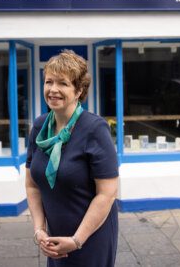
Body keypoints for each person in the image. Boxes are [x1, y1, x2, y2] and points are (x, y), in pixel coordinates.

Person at [25, 50, 119, 267]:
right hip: (55, 236)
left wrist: (77, 240)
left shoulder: (95, 129)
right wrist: (39, 229)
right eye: (49, 81)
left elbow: (107, 194)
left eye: (63, 83)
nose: (53, 89)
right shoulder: (39, 127)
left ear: (79, 91)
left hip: (90, 236)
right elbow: (32, 186)